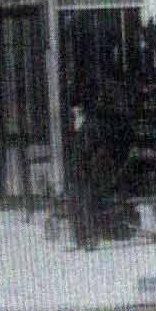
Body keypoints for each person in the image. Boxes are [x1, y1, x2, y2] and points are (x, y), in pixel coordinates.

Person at [65, 99, 102, 252]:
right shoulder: (74, 126)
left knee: (88, 206)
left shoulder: (91, 127)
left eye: (77, 108)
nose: (74, 111)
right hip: (75, 172)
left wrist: (92, 169)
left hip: (86, 172)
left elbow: (95, 150)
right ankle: (78, 239)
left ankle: (91, 239)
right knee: (75, 205)